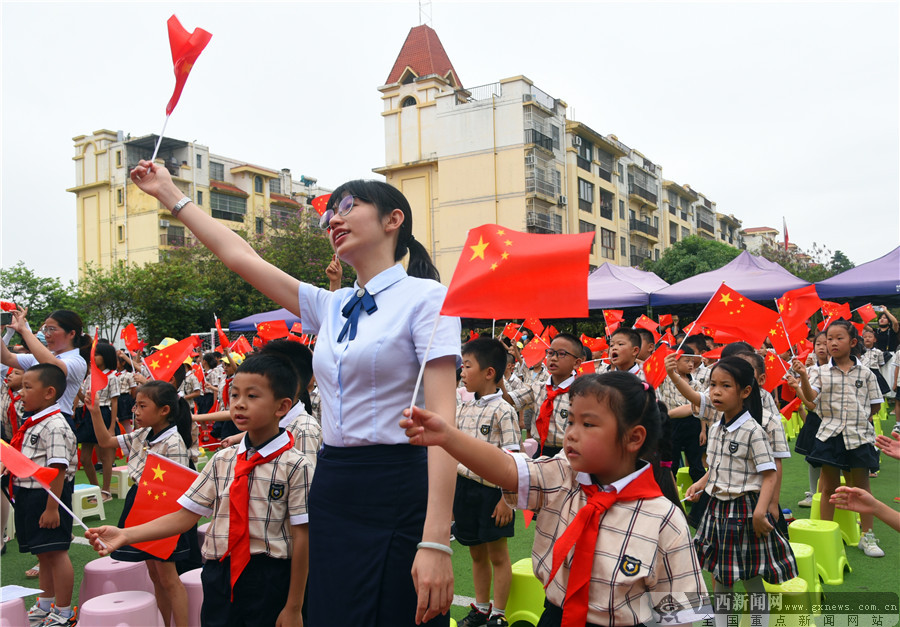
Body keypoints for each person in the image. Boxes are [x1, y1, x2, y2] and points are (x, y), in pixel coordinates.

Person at [129, 161, 459, 627]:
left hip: (398, 483)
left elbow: (444, 425)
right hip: (334, 482)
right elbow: (240, 257)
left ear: (393, 219)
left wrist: (436, 540)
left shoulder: (428, 298)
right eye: (330, 214)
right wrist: (169, 193)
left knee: (398, 614)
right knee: (332, 613)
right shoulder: (333, 304)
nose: (333, 220)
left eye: (349, 206)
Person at [403, 371, 709, 626]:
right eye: (571, 421)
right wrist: (448, 436)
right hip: (555, 616)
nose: (571, 433)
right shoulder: (563, 474)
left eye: (587, 424)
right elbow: (508, 470)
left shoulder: (664, 518)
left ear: (633, 438)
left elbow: (678, 614)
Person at [86, 353, 312, 626]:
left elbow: (303, 537)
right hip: (219, 572)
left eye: (252, 396)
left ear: (282, 406)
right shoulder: (222, 460)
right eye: (235, 395)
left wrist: (294, 606)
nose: (239, 404)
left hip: (270, 576)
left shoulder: (296, 465)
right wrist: (125, 534)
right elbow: (185, 516)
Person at [683, 357, 797, 627]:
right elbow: (717, 467)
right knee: (721, 577)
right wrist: (701, 484)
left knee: (751, 578)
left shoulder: (753, 431)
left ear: (745, 391)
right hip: (717, 510)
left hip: (745, 511)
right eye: (712, 385)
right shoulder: (716, 428)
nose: (716, 392)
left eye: (725, 386)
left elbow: (769, 474)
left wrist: (761, 512)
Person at [85, 380, 194, 626]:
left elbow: (176, 488)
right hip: (140, 501)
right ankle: (165, 622)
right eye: (136, 405)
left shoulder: (173, 442)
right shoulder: (143, 433)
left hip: (161, 509)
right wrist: (94, 412)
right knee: (154, 574)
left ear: (164, 410)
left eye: (142, 406)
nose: (135, 411)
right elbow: (106, 442)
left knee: (168, 578)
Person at [791, 320, 885, 557]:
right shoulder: (820, 372)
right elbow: (811, 398)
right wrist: (803, 376)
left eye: (838, 338)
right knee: (828, 488)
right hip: (829, 436)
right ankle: (827, 534)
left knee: (862, 487)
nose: (832, 343)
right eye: (829, 339)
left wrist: (858, 419)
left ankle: (867, 536)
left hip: (858, 436)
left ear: (852, 342)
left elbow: (875, 405)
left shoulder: (866, 373)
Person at [454, 338, 520, 627]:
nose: (462, 372)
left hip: (493, 493)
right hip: (465, 489)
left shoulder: (503, 410)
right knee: (476, 552)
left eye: (468, 366)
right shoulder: (464, 408)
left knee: (498, 555)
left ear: (489, 372)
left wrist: (507, 499)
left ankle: (498, 614)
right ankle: (481, 608)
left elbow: (514, 459)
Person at [13, 364, 78, 627]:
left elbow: (57, 469)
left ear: (49, 392)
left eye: (28, 387)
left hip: (48, 496)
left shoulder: (54, 425)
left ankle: (63, 612)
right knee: (43, 554)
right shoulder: (35, 420)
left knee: (56, 552)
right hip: (29, 494)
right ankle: (44, 605)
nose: (21, 392)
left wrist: (52, 508)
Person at [0, 309, 89, 425]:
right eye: (45, 329)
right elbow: (6, 358)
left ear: (72, 334)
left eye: (52, 329)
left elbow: (52, 367)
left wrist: (24, 330)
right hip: (32, 416)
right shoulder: (41, 357)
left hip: (56, 420)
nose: (47, 334)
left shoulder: (77, 361)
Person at [504, 334, 584, 458]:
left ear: (577, 363)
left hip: (568, 454)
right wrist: (498, 377)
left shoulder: (582, 394)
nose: (553, 358)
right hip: (541, 452)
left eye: (561, 354)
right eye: (550, 353)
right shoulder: (537, 388)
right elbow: (509, 399)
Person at [75, 341, 120, 502]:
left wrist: (112, 427)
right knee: (85, 458)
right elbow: (85, 399)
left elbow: (114, 402)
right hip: (88, 414)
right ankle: (95, 488)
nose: (93, 357)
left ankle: (106, 491)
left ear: (106, 356)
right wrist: (77, 389)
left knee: (106, 456)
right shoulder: (90, 376)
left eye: (97, 354)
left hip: (104, 413)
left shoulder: (112, 377)